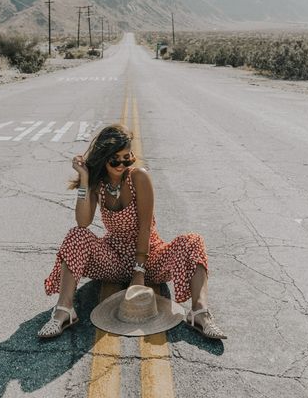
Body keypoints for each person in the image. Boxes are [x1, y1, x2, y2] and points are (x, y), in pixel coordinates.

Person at [38, 124, 226, 340]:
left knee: (193, 241)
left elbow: (145, 227)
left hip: (149, 258)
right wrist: (84, 179)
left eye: (127, 158)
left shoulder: (139, 177)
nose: (122, 164)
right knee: (76, 235)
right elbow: (83, 222)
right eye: (115, 159)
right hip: (113, 260)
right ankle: (64, 310)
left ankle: (199, 312)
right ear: (103, 157)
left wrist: (139, 273)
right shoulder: (97, 183)